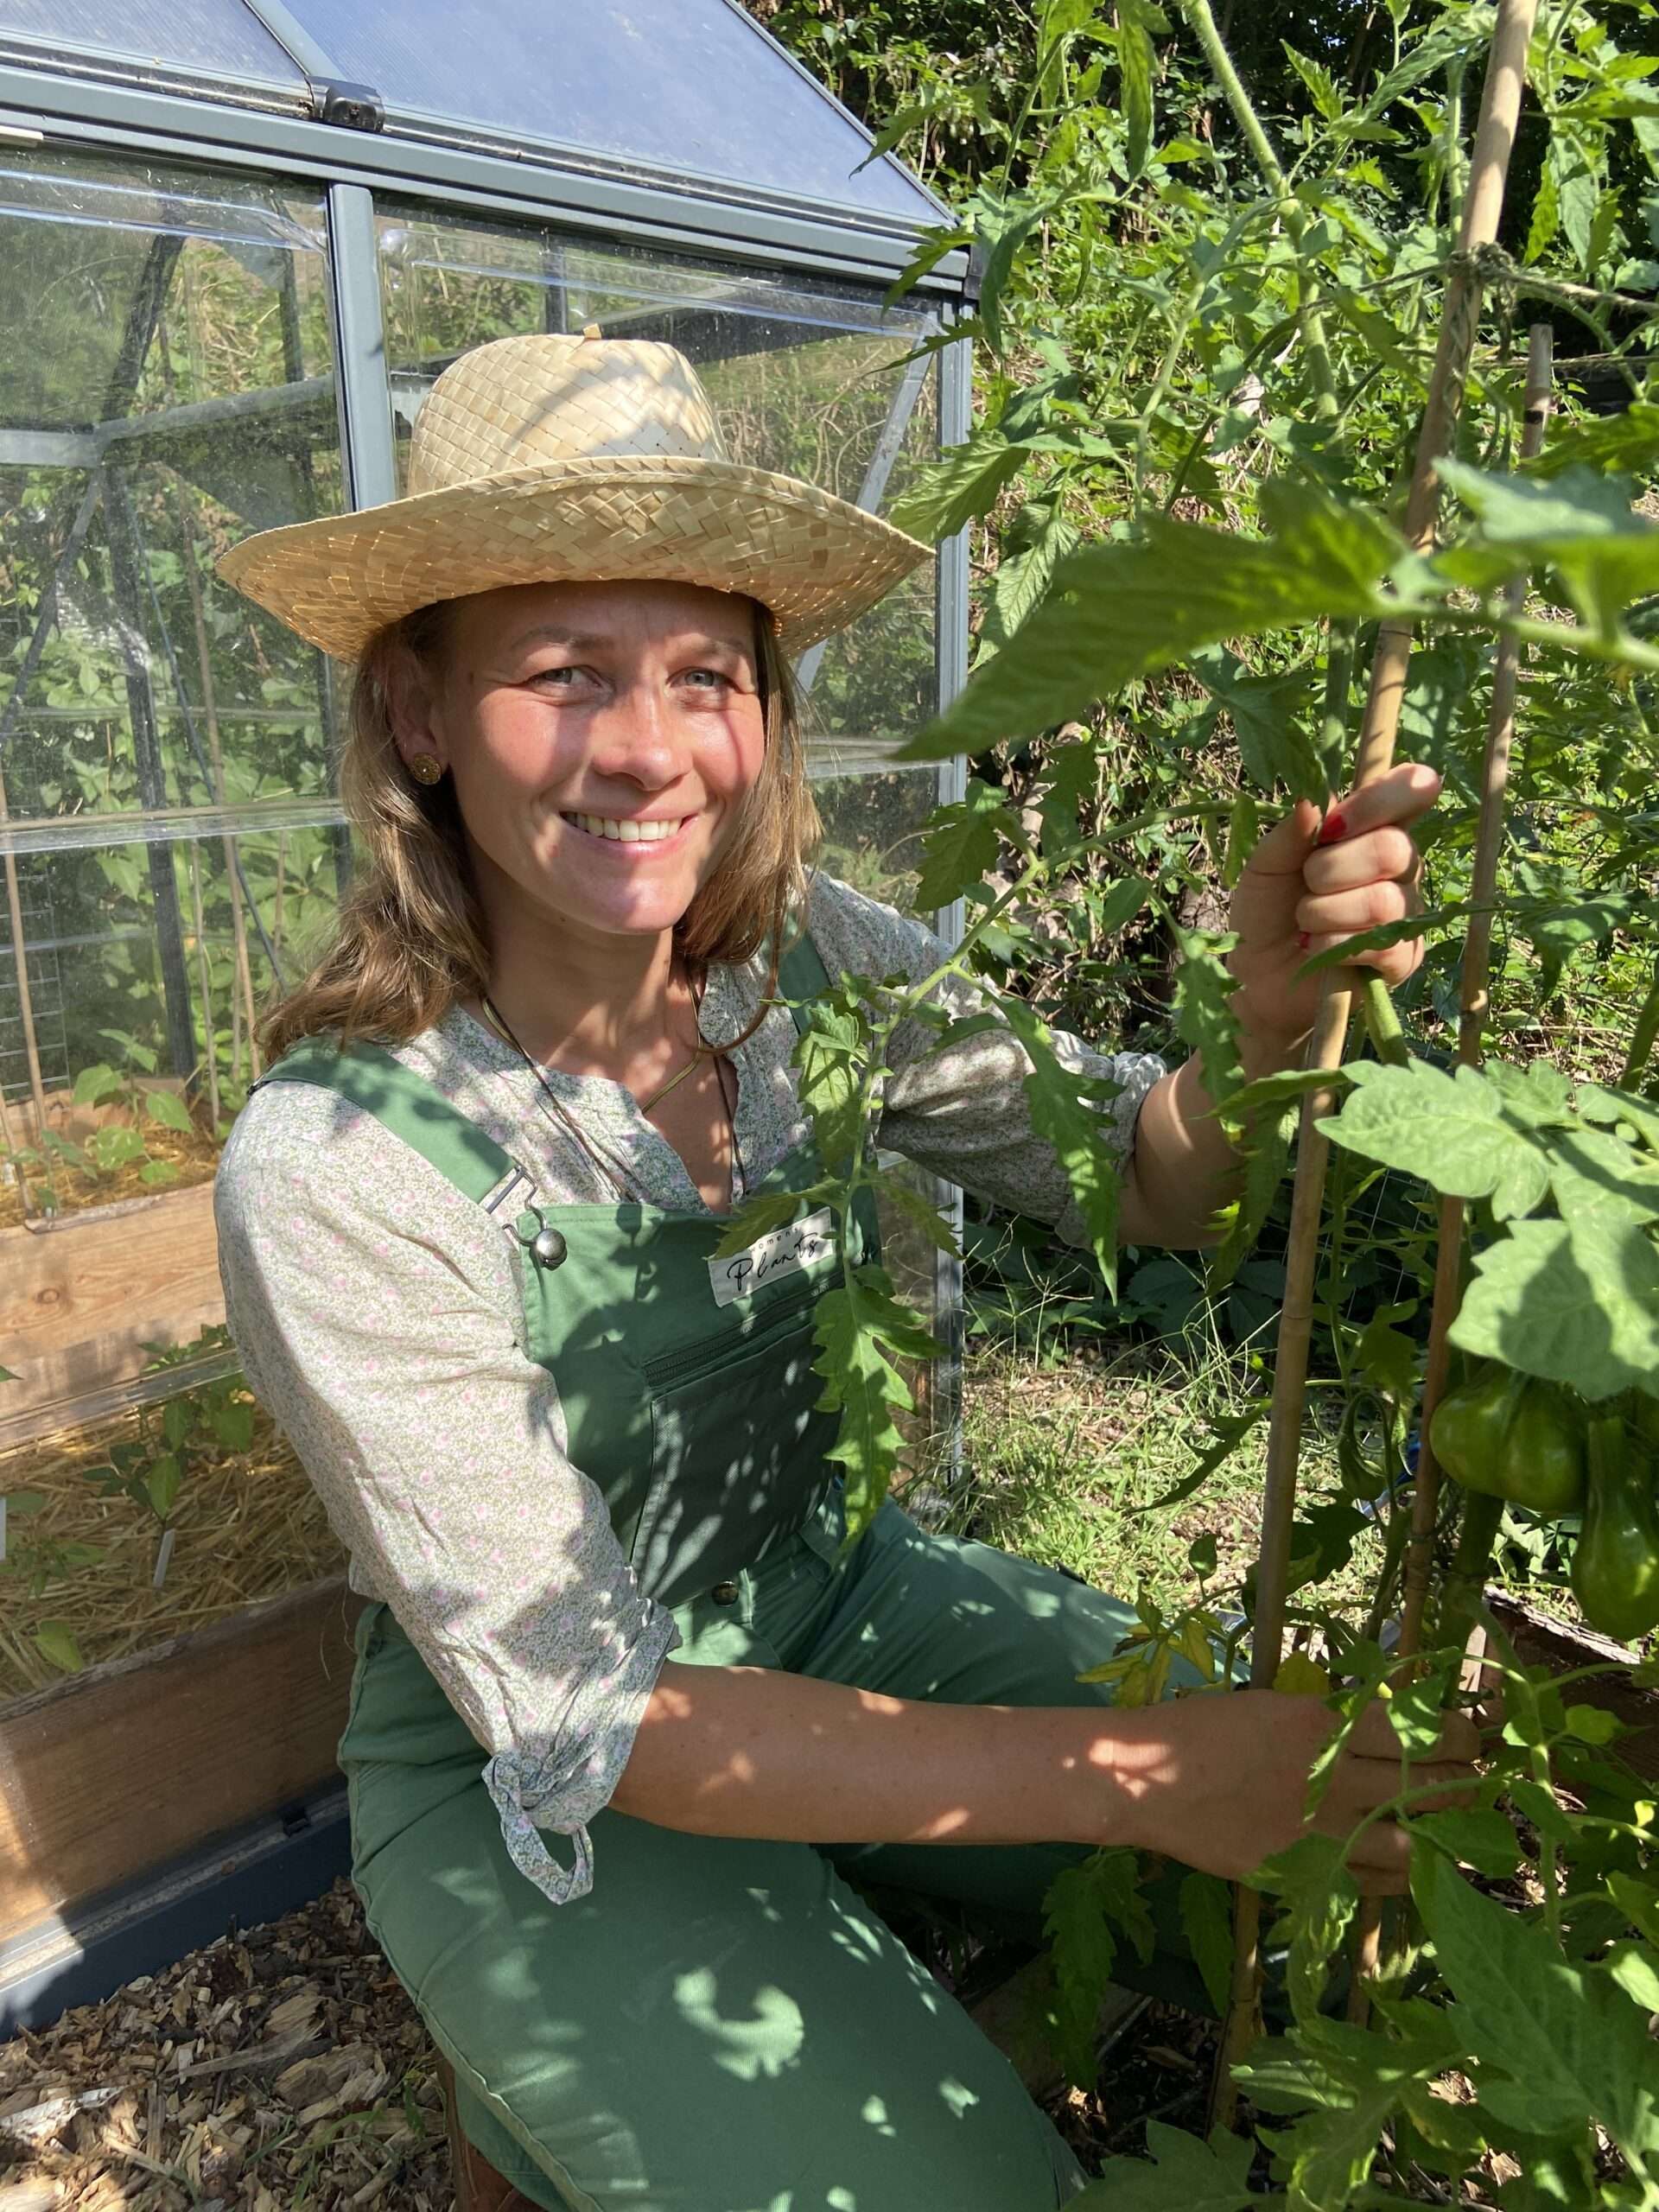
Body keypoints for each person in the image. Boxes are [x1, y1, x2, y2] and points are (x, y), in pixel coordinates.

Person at [213, 330, 1474, 2212]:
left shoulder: (803, 956)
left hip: (829, 1595)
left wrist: (1266, 1023)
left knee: (1283, 1822)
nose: (649, 747)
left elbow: (1140, 1177)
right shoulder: (341, 1163)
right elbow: (599, 1712)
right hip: (540, 1779)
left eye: (704, 673)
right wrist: (1137, 1770)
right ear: (419, 712)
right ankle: (542, 2056)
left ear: (765, 705)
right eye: (565, 674)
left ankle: (755, 1951)